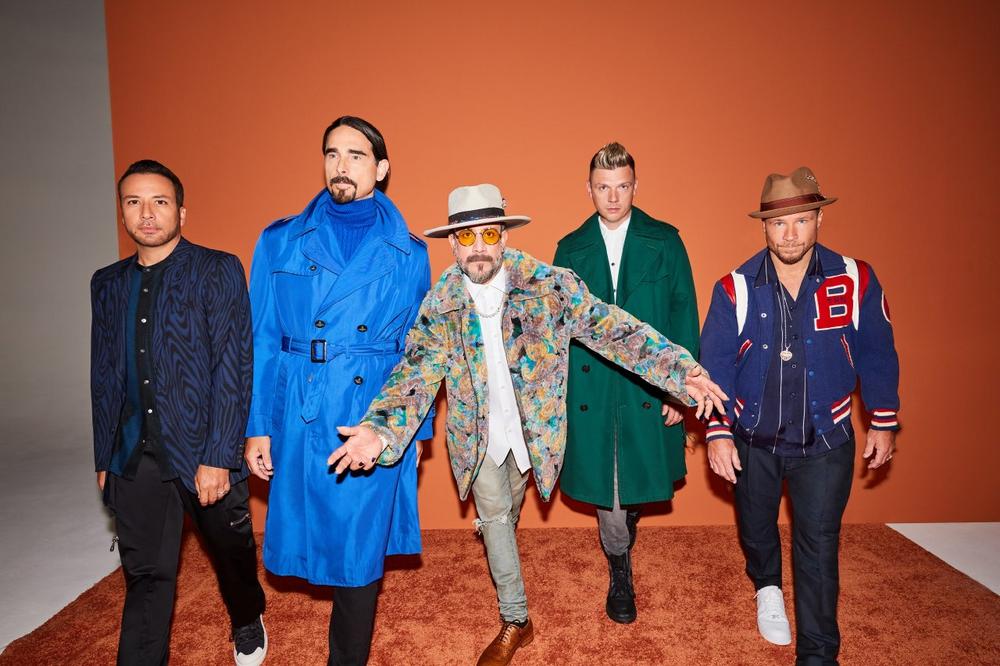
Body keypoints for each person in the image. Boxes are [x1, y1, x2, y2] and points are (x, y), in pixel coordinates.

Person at [329, 183, 728, 666]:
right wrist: (380, 430)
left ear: (504, 237)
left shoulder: (549, 287)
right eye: (467, 237)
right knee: (495, 517)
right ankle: (516, 619)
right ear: (452, 244)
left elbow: (614, 328)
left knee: (508, 515)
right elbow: (414, 373)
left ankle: (505, 556)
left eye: (488, 234)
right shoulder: (441, 305)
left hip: (534, 435)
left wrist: (679, 370)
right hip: (477, 437)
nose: (478, 247)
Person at [243, 116, 433, 666]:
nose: (341, 165)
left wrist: (409, 431)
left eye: (355, 154)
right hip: (300, 410)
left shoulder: (410, 252)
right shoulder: (280, 240)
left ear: (381, 168)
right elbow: (261, 339)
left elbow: (420, 353)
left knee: (358, 551)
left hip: (369, 411)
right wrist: (257, 425)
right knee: (316, 536)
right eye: (332, 154)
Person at [700, 167, 900, 665]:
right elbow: (715, 365)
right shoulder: (734, 288)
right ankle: (766, 586)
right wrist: (718, 433)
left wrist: (882, 418)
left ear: (819, 220)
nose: (790, 234)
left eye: (802, 220)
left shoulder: (855, 279)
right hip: (752, 438)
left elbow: (877, 351)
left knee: (819, 545)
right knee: (756, 528)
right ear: (764, 226)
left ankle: (818, 654)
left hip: (826, 440)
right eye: (779, 223)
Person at [91, 160, 267, 665]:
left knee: (230, 552)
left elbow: (234, 365)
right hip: (134, 453)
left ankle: (246, 616)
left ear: (181, 212)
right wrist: (104, 455)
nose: (147, 213)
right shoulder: (106, 283)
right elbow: (103, 373)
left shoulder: (217, 269)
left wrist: (218, 456)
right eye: (134, 202)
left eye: (160, 202)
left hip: (203, 448)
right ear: (122, 212)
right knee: (146, 575)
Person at [553, 142, 700, 623]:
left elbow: (683, 313)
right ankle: (620, 571)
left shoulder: (665, 241)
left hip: (647, 384)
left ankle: (627, 523)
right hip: (592, 385)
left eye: (622, 187)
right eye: (603, 187)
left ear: (636, 186)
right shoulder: (569, 248)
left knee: (635, 481)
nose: (613, 197)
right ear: (589, 189)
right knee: (610, 486)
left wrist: (679, 386)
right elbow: (557, 327)